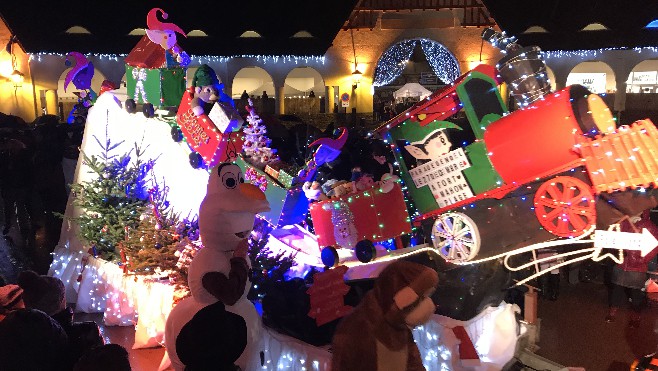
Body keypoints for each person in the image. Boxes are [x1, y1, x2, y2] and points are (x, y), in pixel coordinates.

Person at [605, 211, 658, 328]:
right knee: (616, 290)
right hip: (621, 264)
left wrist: (642, 259)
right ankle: (612, 312)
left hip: (637, 267)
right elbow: (611, 237)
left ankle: (635, 317)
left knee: (636, 294)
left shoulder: (648, 225)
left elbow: (654, 246)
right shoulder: (623, 222)